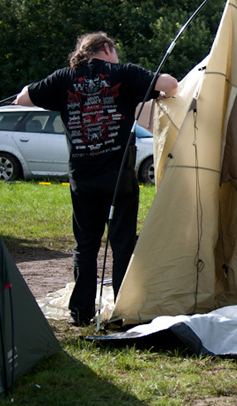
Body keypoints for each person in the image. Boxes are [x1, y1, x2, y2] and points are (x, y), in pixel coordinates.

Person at [14, 32, 179, 326]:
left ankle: (80, 312)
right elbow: (170, 85)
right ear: (106, 48)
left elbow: (22, 98)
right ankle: (124, 310)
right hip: (118, 179)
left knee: (85, 246)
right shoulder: (124, 73)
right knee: (122, 244)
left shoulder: (64, 78)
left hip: (83, 177)